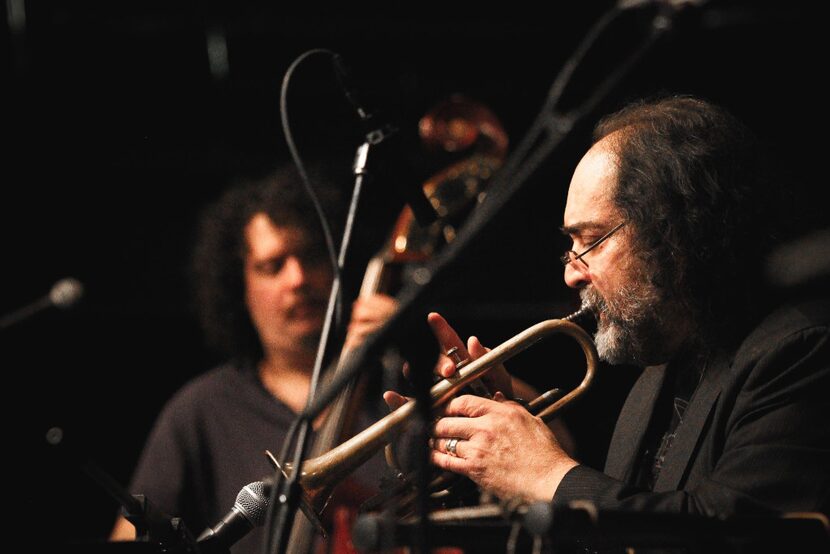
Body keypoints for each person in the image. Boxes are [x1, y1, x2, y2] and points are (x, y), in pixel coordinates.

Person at [386, 95, 830, 523]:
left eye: (591, 241)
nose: (571, 274)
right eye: (569, 247)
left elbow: (733, 534)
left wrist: (547, 475)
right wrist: (500, 454)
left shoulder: (801, 354)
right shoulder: (656, 374)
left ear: (673, 233)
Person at [109, 163, 399, 553]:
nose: (297, 279)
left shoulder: (402, 380)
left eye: (311, 257)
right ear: (238, 287)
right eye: (272, 266)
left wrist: (418, 349)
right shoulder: (201, 410)